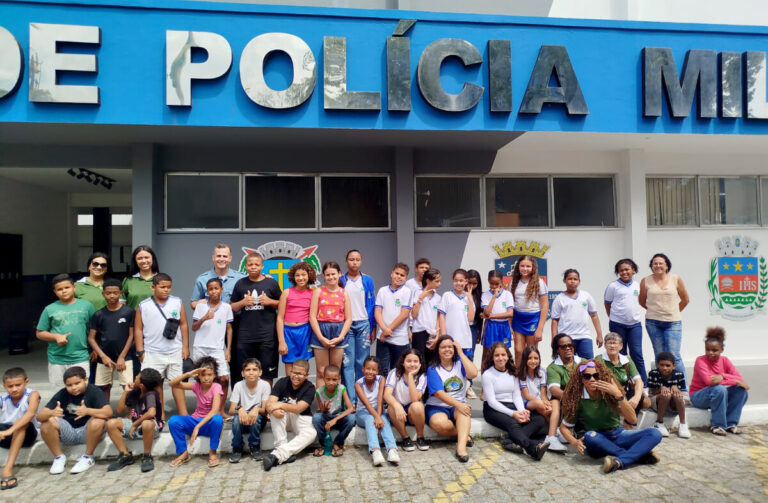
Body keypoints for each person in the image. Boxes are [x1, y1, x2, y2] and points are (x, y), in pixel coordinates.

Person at [559, 359, 662, 473]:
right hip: (597, 439)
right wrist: (574, 442)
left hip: (617, 434)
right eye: (587, 376)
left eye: (596, 376)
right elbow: (564, 427)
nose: (592, 379)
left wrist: (619, 395)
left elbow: (632, 420)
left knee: (655, 433)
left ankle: (619, 461)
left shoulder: (610, 392)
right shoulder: (578, 398)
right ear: (581, 379)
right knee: (589, 436)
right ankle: (636, 455)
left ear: (601, 376)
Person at [37, 366, 112, 475]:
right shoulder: (62, 393)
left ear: (85, 380)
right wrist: (52, 413)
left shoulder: (94, 391)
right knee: (46, 423)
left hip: (89, 432)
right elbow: (40, 416)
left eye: (77, 383)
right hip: (69, 431)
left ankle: (88, 457)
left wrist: (88, 411)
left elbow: (108, 412)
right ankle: (59, 457)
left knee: (98, 421)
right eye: (69, 385)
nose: (74, 387)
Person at [134, 273, 190, 417]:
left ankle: (183, 414)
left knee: (177, 382)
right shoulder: (143, 305)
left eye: (169, 287)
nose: (166, 290)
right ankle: (160, 415)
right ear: (153, 287)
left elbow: (184, 324)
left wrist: (185, 347)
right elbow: (138, 329)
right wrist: (140, 350)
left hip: (175, 350)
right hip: (152, 351)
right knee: (155, 383)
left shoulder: (177, 302)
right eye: (162, 287)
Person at [481, 342, 548, 460]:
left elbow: (516, 396)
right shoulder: (487, 374)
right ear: (492, 357)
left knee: (539, 420)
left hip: (512, 406)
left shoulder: (513, 372)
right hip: (492, 409)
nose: (500, 358)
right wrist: (513, 414)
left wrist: (522, 411)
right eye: (497, 355)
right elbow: (491, 401)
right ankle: (532, 448)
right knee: (513, 423)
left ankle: (509, 441)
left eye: (503, 355)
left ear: (508, 356)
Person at [639, 253, 690, 389]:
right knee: (659, 355)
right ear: (651, 266)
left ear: (666, 265)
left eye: (661, 263)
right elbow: (642, 301)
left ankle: (683, 388)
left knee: (674, 355)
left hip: (673, 322)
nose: (658, 265)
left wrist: (674, 311)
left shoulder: (675, 279)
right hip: (653, 322)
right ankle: (661, 388)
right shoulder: (645, 281)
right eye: (655, 263)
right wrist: (655, 310)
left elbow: (685, 299)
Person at [230, 253, 282, 386]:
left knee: (267, 373)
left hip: (267, 336)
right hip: (245, 337)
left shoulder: (271, 282)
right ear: (246, 266)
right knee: (246, 371)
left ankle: (265, 399)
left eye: (256, 264)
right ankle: (246, 398)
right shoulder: (240, 283)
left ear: (262, 266)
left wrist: (270, 301)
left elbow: (283, 304)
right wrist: (243, 302)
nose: (253, 267)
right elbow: (232, 307)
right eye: (250, 264)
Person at [36, 274, 95, 389]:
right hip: (57, 358)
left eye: (67, 287)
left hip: (80, 357)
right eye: (59, 289)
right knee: (59, 391)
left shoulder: (86, 306)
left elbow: (94, 329)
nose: (64, 291)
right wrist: (56, 337)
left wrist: (94, 349)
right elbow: (39, 333)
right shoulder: (49, 309)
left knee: (81, 390)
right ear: (55, 292)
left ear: (74, 287)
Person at [425, 336, 478, 463]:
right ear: (438, 350)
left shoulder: (460, 363)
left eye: (450, 347)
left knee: (464, 412)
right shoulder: (433, 368)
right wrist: (458, 404)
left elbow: (473, 374)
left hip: (458, 405)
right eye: (443, 347)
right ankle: (463, 434)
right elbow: (439, 393)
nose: (447, 350)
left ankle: (461, 449)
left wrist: (461, 353)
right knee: (440, 424)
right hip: (437, 406)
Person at [690, 327, 749, 436]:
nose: (710, 353)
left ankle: (731, 423)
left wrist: (722, 376)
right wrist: (733, 380)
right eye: (707, 349)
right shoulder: (700, 360)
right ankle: (717, 425)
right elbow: (709, 381)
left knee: (741, 391)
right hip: (699, 397)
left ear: (722, 349)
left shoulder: (725, 360)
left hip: (716, 395)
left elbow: (740, 379)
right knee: (719, 389)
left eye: (714, 350)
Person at [168, 357, 224, 468]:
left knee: (218, 419)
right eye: (203, 375)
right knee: (173, 421)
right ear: (198, 376)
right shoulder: (196, 386)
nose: (206, 378)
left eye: (209, 375)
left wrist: (197, 427)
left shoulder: (216, 387)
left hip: (208, 424)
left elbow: (214, 411)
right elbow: (172, 384)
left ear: (214, 375)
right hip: (195, 421)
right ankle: (183, 453)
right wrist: (188, 374)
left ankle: (212, 453)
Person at [105, 368, 164, 472]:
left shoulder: (151, 394)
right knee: (110, 423)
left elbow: (151, 413)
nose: (135, 377)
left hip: (150, 428)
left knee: (146, 423)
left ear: (141, 385)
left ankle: (147, 456)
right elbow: (119, 410)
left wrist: (135, 424)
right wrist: (126, 392)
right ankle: (125, 455)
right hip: (135, 426)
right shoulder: (136, 391)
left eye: (137, 377)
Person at [263, 359, 316, 471]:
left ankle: (278, 454)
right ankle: (281, 451)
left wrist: (279, 404)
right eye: (294, 372)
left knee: (312, 433)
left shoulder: (310, 387)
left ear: (306, 375)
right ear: (290, 372)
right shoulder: (282, 382)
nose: (296, 376)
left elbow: (298, 408)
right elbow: (270, 403)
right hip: (284, 417)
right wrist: (274, 410)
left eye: (300, 374)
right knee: (276, 412)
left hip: (301, 418)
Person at [88, 278, 135, 401]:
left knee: (128, 386)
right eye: (108, 293)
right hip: (104, 356)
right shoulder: (98, 314)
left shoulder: (129, 312)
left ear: (121, 293)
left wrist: (122, 357)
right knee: (103, 387)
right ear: (103, 294)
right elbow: (91, 338)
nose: (112, 296)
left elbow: (131, 336)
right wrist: (102, 356)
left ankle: (131, 411)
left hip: (125, 356)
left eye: (115, 293)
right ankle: (105, 410)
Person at [191, 277, 233, 415]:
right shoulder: (200, 306)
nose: (214, 291)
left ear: (222, 290)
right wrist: (204, 318)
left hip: (217, 348)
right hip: (200, 347)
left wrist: (228, 350)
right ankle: (202, 409)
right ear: (207, 291)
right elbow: (194, 327)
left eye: (216, 288)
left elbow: (229, 329)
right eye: (211, 289)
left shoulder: (226, 307)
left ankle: (220, 410)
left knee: (224, 379)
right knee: (201, 379)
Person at [339, 250, 377, 402]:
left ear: (361, 261)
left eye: (357, 259)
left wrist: (373, 327)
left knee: (362, 362)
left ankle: (362, 398)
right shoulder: (341, 280)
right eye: (351, 259)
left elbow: (372, 304)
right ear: (346, 261)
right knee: (347, 363)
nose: (354, 262)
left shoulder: (367, 280)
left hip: (363, 325)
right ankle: (351, 399)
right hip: (346, 325)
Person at [309, 261, 352, 390]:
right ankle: (321, 401)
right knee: (321, 371)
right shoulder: (318, 291)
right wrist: (320, 337)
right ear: (324, 276)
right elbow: (312, 316)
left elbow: (348, 319)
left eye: (333, 274)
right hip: (320, 331)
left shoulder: (344, 293)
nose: (331, 277)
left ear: (339, 274)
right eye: (327, 275)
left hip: (338, 331)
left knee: (335, 371)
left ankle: (335, 401)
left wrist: (340, 337)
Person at [604, 258, 647, 385]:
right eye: (621, 270)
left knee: (637, 353)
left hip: (635, 325)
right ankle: (623, 383)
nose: (624, 272)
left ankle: (643, 383)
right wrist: (613, 317)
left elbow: (643, 301)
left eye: (627, 269)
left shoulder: (638, 285)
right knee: (619, 354)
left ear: (633, 270)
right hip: (618, 325)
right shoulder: (613, 286)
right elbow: (607, 303)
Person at [437, 269, 476, 399]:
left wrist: (470, 299)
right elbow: (441, 316)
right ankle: (449, 393)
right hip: (450, 339)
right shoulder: (447, 295)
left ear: (466, 281)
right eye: (456, 280)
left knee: (463, 368)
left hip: (464, 340)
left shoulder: (468, 298)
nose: (458, 283)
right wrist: (444, 336)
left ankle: (463, 392)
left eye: (461, 280)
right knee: (450, 366)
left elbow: (470, 318)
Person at [595, 332, 649, 426]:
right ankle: (628, 423)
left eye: (615, 343)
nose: (612, 346)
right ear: (605, 345)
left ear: (620, 346)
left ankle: (627, 421)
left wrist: (636, 398)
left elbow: (638, 380)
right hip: (607, 393)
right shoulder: (599, 360)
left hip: (623, 392)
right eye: (609, 343)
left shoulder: (626, 360)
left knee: (644, 401)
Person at [355, 356, 399, 466]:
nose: (370, 372)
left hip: (378, 410)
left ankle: (392, 450)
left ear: (378, 371)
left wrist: (379, 417)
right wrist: (376, 417)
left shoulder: (381, 379)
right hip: (363, 412)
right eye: (368, 368)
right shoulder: (358, 384)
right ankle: (375, 451)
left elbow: (380, 400)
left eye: (374, 369)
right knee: (370, 419)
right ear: (363, 369)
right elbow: (366, 403)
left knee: (384, 420)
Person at [0, 368, 40, 490]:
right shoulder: (3, 399)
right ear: (4, 386)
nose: (14, 389)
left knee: (21, 422)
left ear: (26, 382)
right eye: (10, 386)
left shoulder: (32, 395)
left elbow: (30, 414)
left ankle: (8, 469)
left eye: (18, 385)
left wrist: (9, 431)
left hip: (27, 434)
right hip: (6, 435)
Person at [550, 269, 603, 359]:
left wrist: (599, 335)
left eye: (575, 279)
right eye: (569, 279)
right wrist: (554, 339)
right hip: (566, 337)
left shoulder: (586, 296)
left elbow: (594, 316)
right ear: (564, 280)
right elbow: (555, 320)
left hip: (584, 336)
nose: (572, 281)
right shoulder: (559, 298)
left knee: (588, 363)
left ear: (579, 281)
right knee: (567, 363)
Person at [383, 349, 429, 451]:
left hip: (413, 413)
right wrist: (397, 405)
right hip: (397, 413)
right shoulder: (395, 372)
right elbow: (386, 394)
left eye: (415, 361)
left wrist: (410, 376)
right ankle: (405, 437)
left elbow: (415, 399)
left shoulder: (422, 376)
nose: (412, 364)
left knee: (417, 405)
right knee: (391, 407)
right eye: (409, 361)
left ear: (420, 363)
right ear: (403, 362)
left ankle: (420, 437)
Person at [544, 334, 583, 452]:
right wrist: (574, 400)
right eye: (563, 346)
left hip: (584, 401)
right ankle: (553, 437)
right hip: (566, 403)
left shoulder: (582, 362)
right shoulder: (553, 367)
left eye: (570, 345)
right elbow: (554, 389)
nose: (567, 348)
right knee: (555, 401)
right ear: (557, 350)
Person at [277, 262, 316, 376]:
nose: (300, 278)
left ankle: (302, 388)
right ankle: (289, 388)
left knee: (302, 367)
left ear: (309, 275)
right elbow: (280, 318)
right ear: (293, 277)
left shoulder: (313, 293)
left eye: (303, 275)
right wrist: (281, 341)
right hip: (288, 333)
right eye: (297, 275)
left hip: (305, 332)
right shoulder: (286, 292)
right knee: (290, 368)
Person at [228, 358, 271, 463]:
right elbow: (231, 410)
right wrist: (240, 409)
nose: (251, 372)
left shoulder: (265, 385)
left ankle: (255, 446)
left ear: (260, 372)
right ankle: (237, 447)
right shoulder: (238, 385)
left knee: (256, 417)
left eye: (254, 369)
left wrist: (256, 409)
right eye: (247, 370)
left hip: (258, 421)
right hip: (242, 421)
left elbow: (264, 410)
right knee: (236, 419)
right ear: (242, 373)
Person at [374, 263, 412, 376]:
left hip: (400, 338)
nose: (399, 277)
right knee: (381, 370)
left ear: (406, 278)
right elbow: (377, 312)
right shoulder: (382, 290)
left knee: (397, 371)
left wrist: (387, 330)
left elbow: (404, 314)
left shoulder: (407, 291)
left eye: (402, 275)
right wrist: (384, 329)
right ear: (392, 273)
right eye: (397, 273)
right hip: (382, 338)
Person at [509, 256, 548, 365]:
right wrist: (509, 325)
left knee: (531, 351)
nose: (525, 269)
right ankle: (518, 373)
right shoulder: (513, 282)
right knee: (518, 351)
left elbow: (545, 306)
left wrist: (539, 328)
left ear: (533, 268)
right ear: (518, 267)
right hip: (518, 319)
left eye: (528, 266)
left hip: (533, 319)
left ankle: (532, 374)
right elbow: (510, 305)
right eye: (522, 266)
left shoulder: (539, 282)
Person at [312, 365, 355, 457]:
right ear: (323, 378)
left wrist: (335, 419)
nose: (331, 382)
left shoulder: (341, 389)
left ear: (338, 379)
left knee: (352, 419)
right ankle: (324, 444)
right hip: (327, 418)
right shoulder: (319, 392)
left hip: (339, 417)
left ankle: (337, 443)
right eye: (328, 379)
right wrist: (325, 409)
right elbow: (321, 410)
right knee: (316, 418)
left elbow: (351, 408)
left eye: (334, 380)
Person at [190, 243, 246, 309]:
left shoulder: (241, 278)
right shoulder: (202, 279)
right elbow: (193, 304)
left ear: (230, 258)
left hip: (234, 315)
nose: (221, 259)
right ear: (213, 258)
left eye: (225, 256)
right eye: (218, 256)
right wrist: (199, 304)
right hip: (210, 315)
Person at [647, 351, 689, 438]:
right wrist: (661, 389)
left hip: (672, 403)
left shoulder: (679, 375)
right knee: (666, 395)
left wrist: (675, 388)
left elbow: (680, 391)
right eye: (661, 365)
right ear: (657, 365)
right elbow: (652, 391)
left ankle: (683, 424)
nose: (664, 368)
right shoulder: (653, 374)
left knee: (677, 396)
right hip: (657, 401)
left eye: (668, 365)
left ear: (674, 366)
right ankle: (659, 423)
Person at [480, 270, 514, 364]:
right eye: (492, 283)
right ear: (488, 281)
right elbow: (487, 312)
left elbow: (510, 314)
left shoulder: (507, 294)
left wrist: (491, 316)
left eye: (497, 283)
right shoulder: (485, 295)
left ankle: (506, 371)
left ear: (502, 281)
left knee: (504, 351)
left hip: (504, 326)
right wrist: (494, 296)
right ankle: (485, 373)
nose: (494, 286)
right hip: (491, 326)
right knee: (487, 352)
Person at [518, 346, 553, 437]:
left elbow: (543, 393)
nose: (533, 361)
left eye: (536, 358)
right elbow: (527, 395)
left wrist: (546, 402)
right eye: (529, 358)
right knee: (539, 404)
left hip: (539, 401)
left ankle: (552, 430)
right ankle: (553, 429)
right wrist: (542, 403)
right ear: (525, 359)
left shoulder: (542, 371)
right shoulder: (522, 373)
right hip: (527, 402)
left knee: (551, 406)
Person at [410, 268, 441, 365]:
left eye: (439, 281)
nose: (439, 284)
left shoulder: (438, 297)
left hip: (432, 334)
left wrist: (437, 334)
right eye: (437, 281)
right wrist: (420, 298)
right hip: (419, 332)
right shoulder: (417, 293)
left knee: (431, 362)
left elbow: (438, 318)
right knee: (419, 361)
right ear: (428, 281)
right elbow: (413, 315)